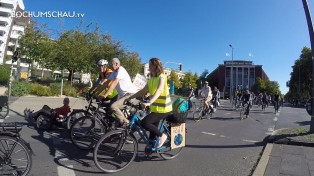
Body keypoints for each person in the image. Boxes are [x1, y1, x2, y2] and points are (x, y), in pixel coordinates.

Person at [126, 58, 172, 148]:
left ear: (156, 66)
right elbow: (143, 90)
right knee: (152, 131)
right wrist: (130, 97)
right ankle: (152, 147)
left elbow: (159, 90)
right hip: (155, 108)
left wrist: (149, 102)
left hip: (164, 108)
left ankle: (162, 136)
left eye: (151, 65)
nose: (149, 67)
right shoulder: (151, 79)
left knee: (145, 123)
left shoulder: (161, 77)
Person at [98, 58, 137, 124]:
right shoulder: (114, 72)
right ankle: (116, 128)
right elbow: (106, 83)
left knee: (113, 106)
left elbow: (115, 82)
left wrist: (105, 95)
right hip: (122, 95)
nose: (111, 65)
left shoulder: (121, 70)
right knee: (110, 109)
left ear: (116, 64)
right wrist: (96, 93)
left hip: (130, 94)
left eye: (112, 64)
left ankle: (126, 123)